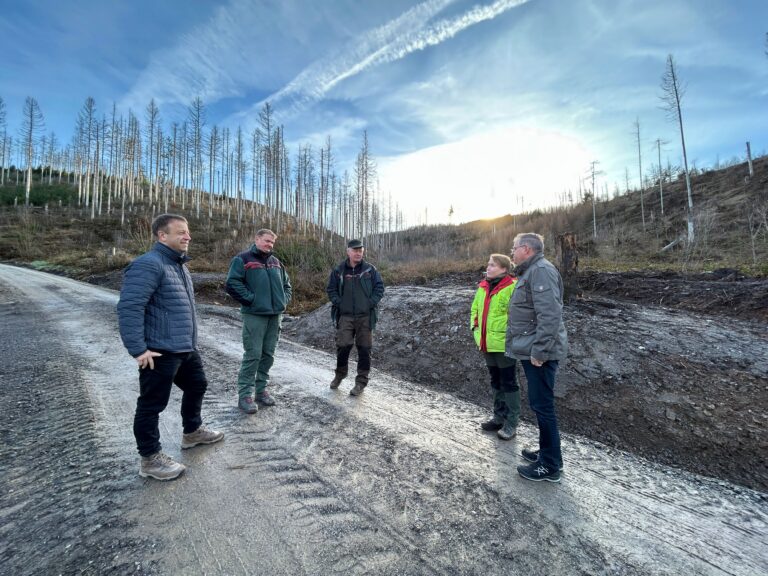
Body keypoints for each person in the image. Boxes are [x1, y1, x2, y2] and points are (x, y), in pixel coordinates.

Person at [118, 214, 224, 481]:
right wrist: (138, 349)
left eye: (187, 232)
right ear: (162, 236)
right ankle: (150, 458)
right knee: (152, 404)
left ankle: (192, 432)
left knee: (197, 385)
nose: (188, 236)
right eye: (181, 232)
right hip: (159, 350)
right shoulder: (148, 264)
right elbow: (130, 308)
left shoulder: (179, 266)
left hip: (184, 347)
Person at [506, 233, 568, 483]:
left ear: (526, 249)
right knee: (540, 404)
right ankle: (548, 453)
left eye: (514, 248)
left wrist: (540, 351)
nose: (511, 252)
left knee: (543, 406)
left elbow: (549, 314)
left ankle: (550, 465)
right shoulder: (531, 271)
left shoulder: (540, 271)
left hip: (540, 352)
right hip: (534, 349)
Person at [225, 229, 292, 414]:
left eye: (272, 242)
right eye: (266, 241)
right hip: (255, 315)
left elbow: (287, 285)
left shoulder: (276, 262)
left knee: (268, 354)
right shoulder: (242, 259)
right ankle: (245, 395)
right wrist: (252, 300)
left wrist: (283, 301)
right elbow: (232, 283)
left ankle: (261, 390)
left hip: (275, 315)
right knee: (253, 354)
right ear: (257, 239)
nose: (269, 245)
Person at [326, 239, 385, 396]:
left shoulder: (370, 270)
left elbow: (379, 288)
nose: (358, 253)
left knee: (364, 349)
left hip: (365, 317)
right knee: (343, 346)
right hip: (345, 316)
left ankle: (361, 382)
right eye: (355, 250)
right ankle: (340, 374)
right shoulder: (339, 270)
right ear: (348, 252)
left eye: (360, 250)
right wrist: (340, 303)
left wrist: (369, 303)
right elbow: (331, 289)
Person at [470, 254, 519, 440]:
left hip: (504, 344)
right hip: (486, 343)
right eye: (488, 264)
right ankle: (498, 418)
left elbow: (517, 316)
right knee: (495, 380)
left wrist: (508, 335)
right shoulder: (483, 286)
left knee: (509, 382)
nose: (488, 268)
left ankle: (511, 423)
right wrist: (475, 329)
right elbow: (475, 310)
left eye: (493, 265)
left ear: (504, 269)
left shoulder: (512, 287)